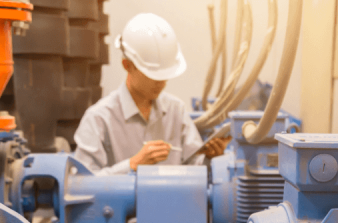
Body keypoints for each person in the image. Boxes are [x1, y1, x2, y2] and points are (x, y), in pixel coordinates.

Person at [74, 13, 230, 175]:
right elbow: (81, 182)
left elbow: (195, 167)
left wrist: (210, 158)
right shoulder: (99, 118)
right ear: (128, 65)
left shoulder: (176, 110)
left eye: (165, 75)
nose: (161, 83)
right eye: (153, 76)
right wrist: (132, 165)